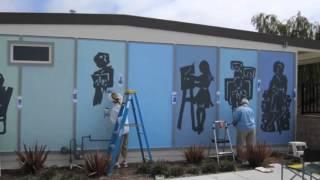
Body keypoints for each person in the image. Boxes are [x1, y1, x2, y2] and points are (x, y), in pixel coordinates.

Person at [107, 92, 129, 168]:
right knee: (124, 145)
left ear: (112, 101)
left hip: (120, 129)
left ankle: (116, 162)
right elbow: (119, 96)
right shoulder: (122, 105)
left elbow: (113, 121)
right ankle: (125, 161)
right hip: (127, 127)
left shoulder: (114, 109)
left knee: (118, 146)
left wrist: (109, 114)